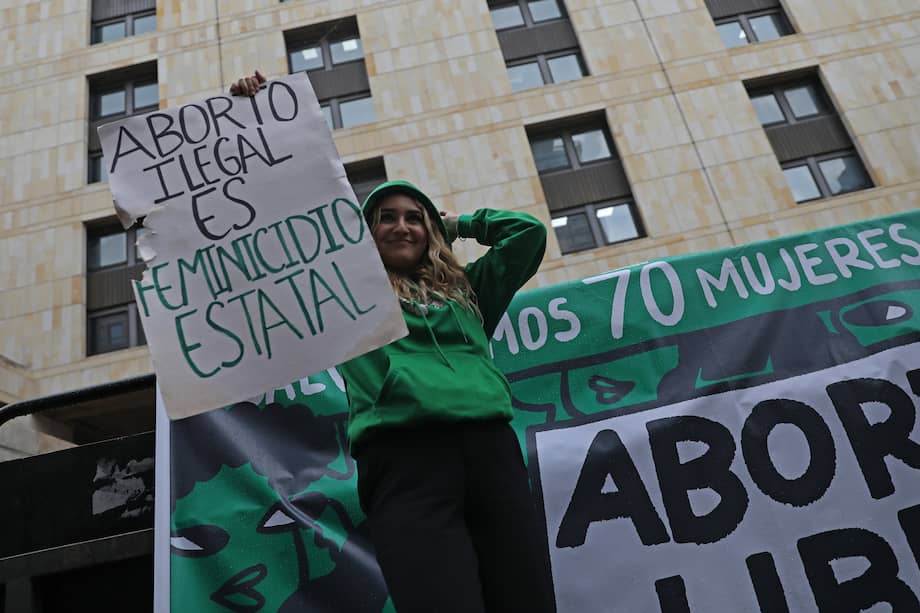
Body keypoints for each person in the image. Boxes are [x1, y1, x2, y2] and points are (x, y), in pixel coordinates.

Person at [232, 72, 556, 613]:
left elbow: (527, 235)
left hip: (491, 454)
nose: (401, 226)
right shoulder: (343, 297)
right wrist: (257, 121)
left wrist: (455, 223)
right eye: (386, 218)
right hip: (404, 465)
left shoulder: (469, 294)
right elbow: (280, 227)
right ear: (365, 232)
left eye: (414, 218)